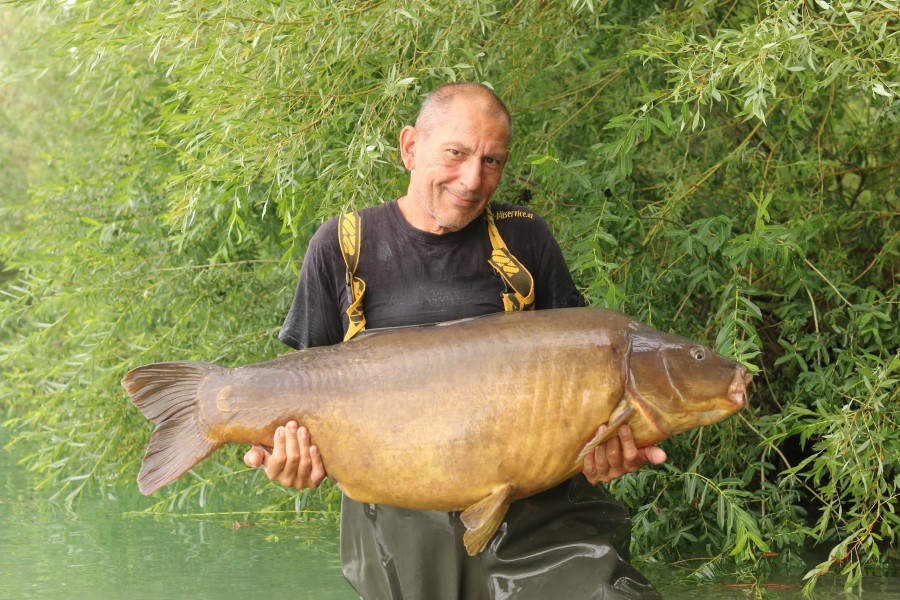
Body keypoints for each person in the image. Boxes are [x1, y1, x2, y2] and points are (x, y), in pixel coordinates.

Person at [244, 83, 667, 599]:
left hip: (537, 523)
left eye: (492, 161)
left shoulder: (525, 238)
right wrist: (290, 459)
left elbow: (581, 388)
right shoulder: (342, 246)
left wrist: (604, 454)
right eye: (456, 154)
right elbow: (303, 400)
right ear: (409, 147)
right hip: (399, 527)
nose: (473, 179)